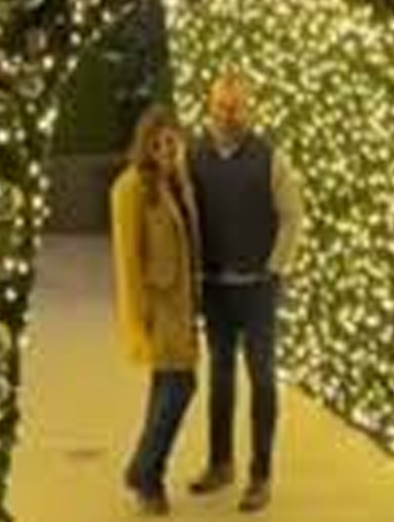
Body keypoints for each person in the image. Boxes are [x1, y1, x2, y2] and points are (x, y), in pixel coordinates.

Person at [186, 72, 304, 513]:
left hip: (258, 290)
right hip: (215, 287)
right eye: (221, 105)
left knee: (262, 380)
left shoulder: (271, 158)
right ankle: (221, 464)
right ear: (210, 106)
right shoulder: (193, 156)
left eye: (236, 105)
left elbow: (292, 216)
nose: (228, 113)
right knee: (219, 378)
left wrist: (273, 270)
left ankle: (260, 475)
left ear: (248, 108)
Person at [111, 106, 201, 515]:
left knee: (166, 386)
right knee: (181, 385)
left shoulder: (177, 181)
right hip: (159, 304)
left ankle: (151, 479)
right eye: (157, 144)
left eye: (171, 142)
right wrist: (138, 317)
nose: (166, 150)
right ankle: (143, 470)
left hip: (183, 302)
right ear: (144, 146)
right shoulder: (130, 187)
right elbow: (127, 259)